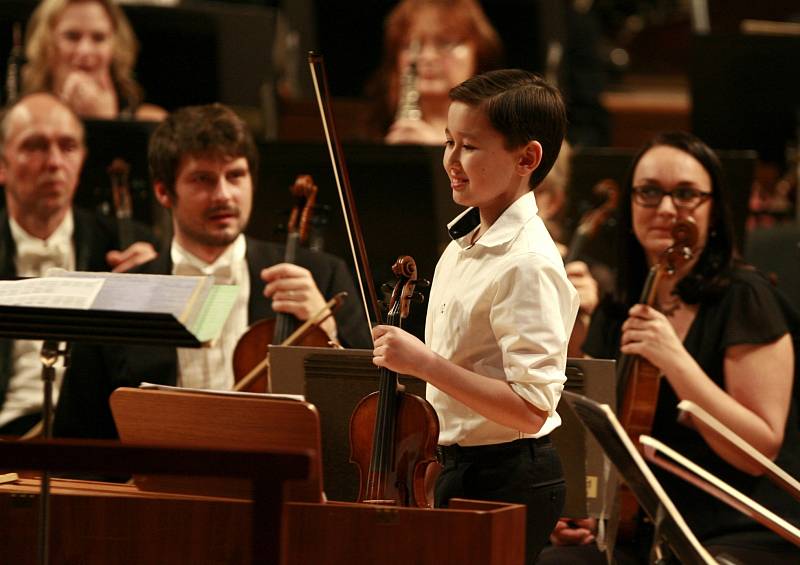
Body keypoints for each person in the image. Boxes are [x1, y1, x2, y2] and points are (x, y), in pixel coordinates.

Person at [539, 131, 800, 563]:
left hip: (743, 528)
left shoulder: (744, 298)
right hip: (645, 528)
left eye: (684, 194)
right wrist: (585, 514)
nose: (665, 209)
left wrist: (675, 361)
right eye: (649, 192)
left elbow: (760, 452)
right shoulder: (617, 309)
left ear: (713, 209)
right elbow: (606, 441)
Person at [53, 103, 373, 441]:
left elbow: (372, 404)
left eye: (235, 175)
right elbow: (78, 435)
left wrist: (328, 330)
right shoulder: (120, 297)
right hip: (156, 487)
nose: (223, 195)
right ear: (164, 191)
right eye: (202, 179)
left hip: (278, 484)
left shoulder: (321, 276)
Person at [371, 69, 579, 563]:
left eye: (469, 146)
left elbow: (531, 409)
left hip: (507, 477)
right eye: (448, 142)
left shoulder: (527, 264)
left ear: (527, 158)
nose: (451, 161)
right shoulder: (463, 241)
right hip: (456, 466)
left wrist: (423, 365)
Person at [0, 92, 157, 436]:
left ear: (83, 160)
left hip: (95, 439)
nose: (54, 161)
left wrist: (154, 282)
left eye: (68, 146)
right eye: (35, 146)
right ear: (3, 164)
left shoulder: (126, 245)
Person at [367, 0, 503, 145]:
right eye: (410, 45)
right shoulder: (363, 129)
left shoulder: (508, 134)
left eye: (445, 42)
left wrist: (436, 152)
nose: (427, 57)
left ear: (479, 53)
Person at [23, 0, 166, 121]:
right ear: (44, 44)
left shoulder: (150, 120)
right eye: (72, 36)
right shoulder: (19, 120)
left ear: (116, 47)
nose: (85, 51)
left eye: (98, 38)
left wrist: (108, 121)